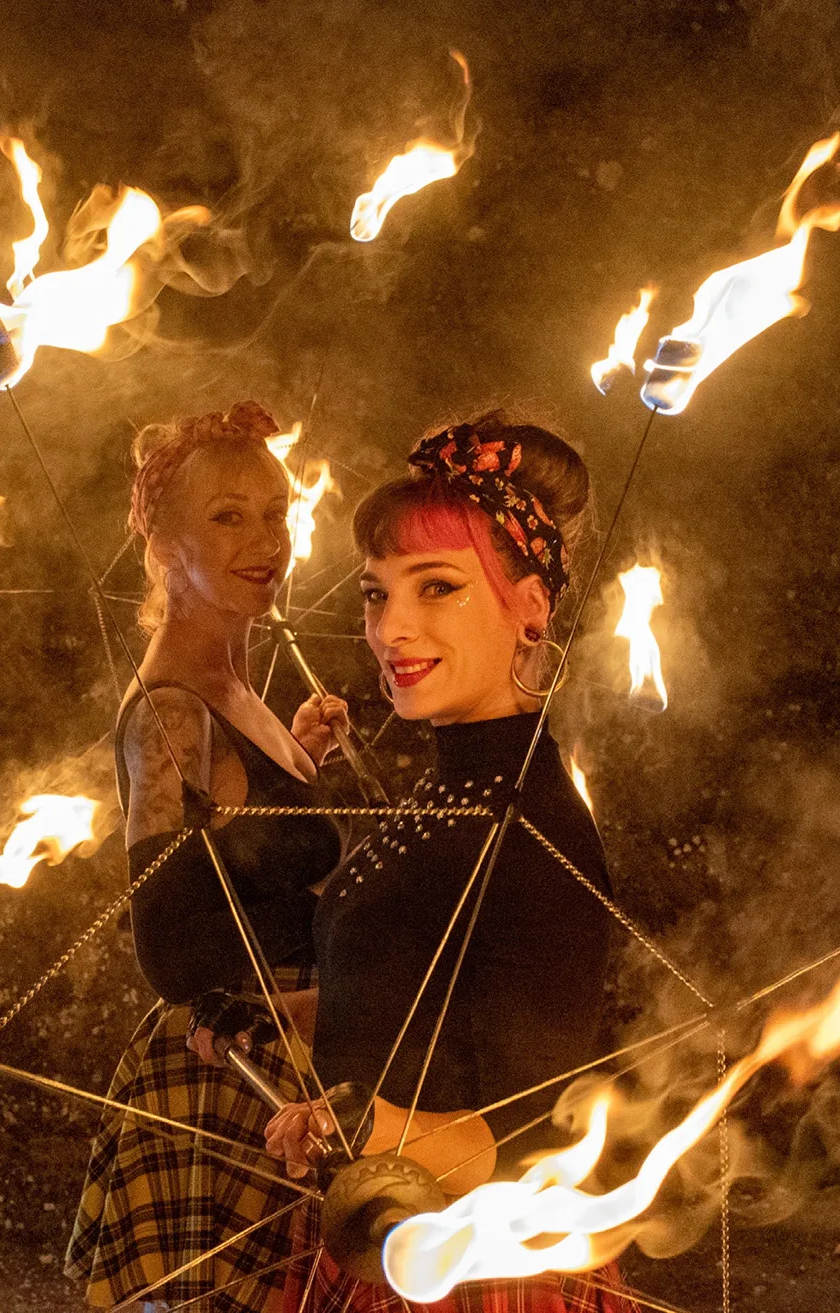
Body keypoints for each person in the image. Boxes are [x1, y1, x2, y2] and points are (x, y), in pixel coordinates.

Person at [264, 412, 640, 1312]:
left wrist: (357, 1120)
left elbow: (532, 1130)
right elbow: (432, 1003)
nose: (393, 627)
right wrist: (288, 1016)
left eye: (436, 588)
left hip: (476, 1274)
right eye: (375, 593)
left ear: (531, 608)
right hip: (383, 1245)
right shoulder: (452, 793)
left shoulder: (534, 828)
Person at [65, 400, 350, 1313]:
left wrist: (298, 763)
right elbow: (172, 948)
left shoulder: (234, 684)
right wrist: (306, 1010)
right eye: (226, 515)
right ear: (163, 548)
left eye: (276, 511)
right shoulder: (168, 711)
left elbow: (236, 847)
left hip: (289, 1060)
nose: (265, 538)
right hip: (232, 1080)